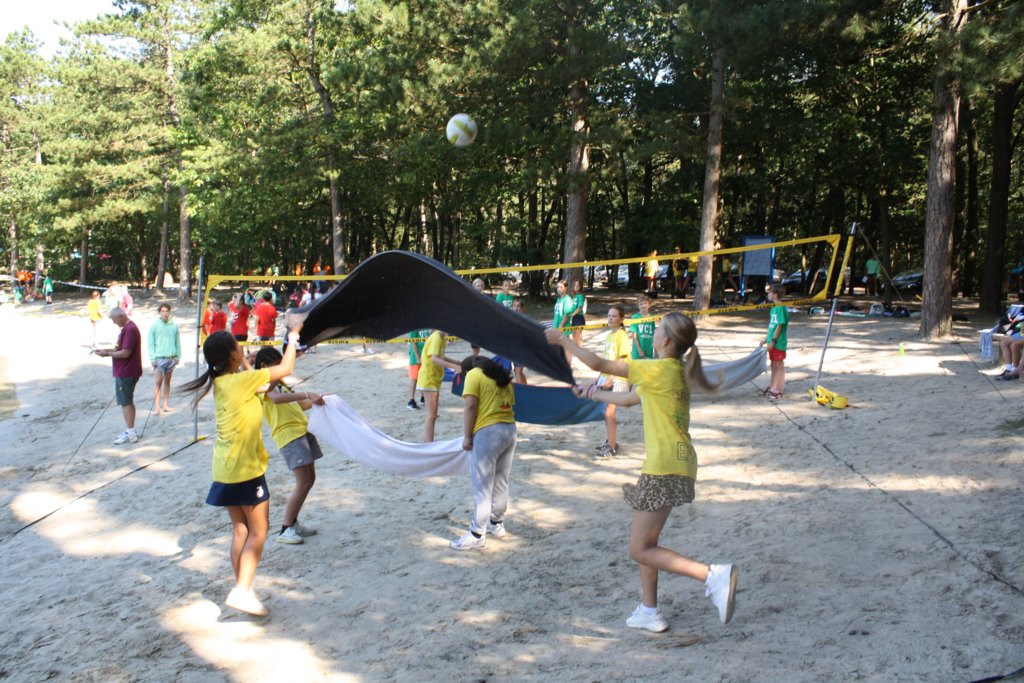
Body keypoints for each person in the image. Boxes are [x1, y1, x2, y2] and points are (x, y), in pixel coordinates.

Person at [544, 312, 738, 632]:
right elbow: (630, 399)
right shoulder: (669, 371)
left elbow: (598, 364)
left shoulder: (656, 369)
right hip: (677, 463)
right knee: (648, 543)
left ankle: (712, 576)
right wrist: (592, 393)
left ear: (666, 340)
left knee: (639, 549)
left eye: (658, 328)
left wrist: (563, 339)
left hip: (664, 466)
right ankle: (649, 611)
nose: (653, 331)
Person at [180, 326, 303, 617]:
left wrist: (246, 363)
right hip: (245, 468)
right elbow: (285, 368)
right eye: (239, 347)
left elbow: (265, 389)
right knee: (259, 531)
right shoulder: (241, 381)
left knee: (241, 531)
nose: (243, 350)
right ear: (233, 355)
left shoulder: (226, 382)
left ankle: (242, 588)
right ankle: (242, 590)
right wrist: (293, 336)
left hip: (225, 468)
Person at [252, 347, 325, 546]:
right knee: (302, 482)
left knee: (309, 480)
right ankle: (286, 528)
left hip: (302, 430)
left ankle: (293, 522)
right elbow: (276, 399)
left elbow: (298, 405)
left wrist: (318, 400)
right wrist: (306, 393)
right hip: (289, 435)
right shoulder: (262, 384)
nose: (281, 371)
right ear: (264, 366)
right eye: (277, 366)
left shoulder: (280, 383)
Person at [450, 356, 517, 551]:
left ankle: (477, 534)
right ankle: (497, 523)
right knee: (501, 480)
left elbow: (470, 405)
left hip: (488, 432)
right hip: (509, 429)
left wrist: (467, 436)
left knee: (482, 485)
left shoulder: (474, 375)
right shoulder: (503, 375)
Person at [94, 308, 143, 444]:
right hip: (125, 371)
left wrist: (107, 354)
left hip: (127, 372)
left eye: (114, 320)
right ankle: (129, 430)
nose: (114, 323)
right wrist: (107, 350)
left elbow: (125, 353)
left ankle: (131, 433)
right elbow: (120, 349)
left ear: (121, 316)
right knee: (125, 401)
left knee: (126, 401)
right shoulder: (126, 329)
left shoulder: (130, 329)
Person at [595, 305, 632, 458]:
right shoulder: (610, 335)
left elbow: (621, 359)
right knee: (607, 412)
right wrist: (600, 377)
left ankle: (612, 447)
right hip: (607, 377)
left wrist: (611, 378)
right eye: (609, 315)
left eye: (614, 316)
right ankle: (611, 441)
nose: (610, 318)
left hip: (617, 378)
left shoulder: (621, 335)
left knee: (610, 412)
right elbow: (607, 359)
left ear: (621, 319)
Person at [416, 330, 463, 442]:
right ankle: (428, 444)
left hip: (434, 378)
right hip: (429, 378)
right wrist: (454, 367)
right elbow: (434, 359)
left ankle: (429, 443)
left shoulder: (442, 338)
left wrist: (457, 362)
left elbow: (440, 356)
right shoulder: (437, 337)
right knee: (431, 415)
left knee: (433, 415)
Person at [148, 303, 181, 415]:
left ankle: (165, 405)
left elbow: (177, 342)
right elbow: (150, 344)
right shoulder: (154, 326)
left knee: (167, 381)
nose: (165, 313)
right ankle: (157, 408)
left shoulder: (174, 326)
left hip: (171, 358)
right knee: (158, 382)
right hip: (159, 358)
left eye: (167, 311)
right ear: (159, 313)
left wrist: (178, 356)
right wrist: (152, 358)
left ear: (169, 312)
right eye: (162, 311)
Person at [759, 284, 789, 400]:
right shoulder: (774, 308)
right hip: (772, 341)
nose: (768, 294)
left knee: (778, 365)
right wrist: (766, 339)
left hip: (778, 342)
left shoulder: (780, 307)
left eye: (769, 292)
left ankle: (778, 389)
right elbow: (772, 326)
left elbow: (780, 326)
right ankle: (773, 386)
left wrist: (773, 341)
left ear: (775, 294)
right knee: (773, 365)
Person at [406, 328, 431, 410]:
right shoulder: (414, 327)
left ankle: (423, 397)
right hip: (416, 358)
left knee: (424, 377)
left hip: (426, 356)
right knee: (414, 378)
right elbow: (413, 342)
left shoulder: (428, 326)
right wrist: (418, 357)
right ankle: (411, 400)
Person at [553, 280, 574, 364]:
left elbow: (566, 315)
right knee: (558, 349)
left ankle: (567, 366)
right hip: (556, 327)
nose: (559, 289)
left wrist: (561, 327)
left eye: (561, 287)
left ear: (566, 288)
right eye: (558, 287)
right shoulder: (559, 299)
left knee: (566, 349)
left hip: (563, 329)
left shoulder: (567, 299)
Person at [629, 294, 656, 361]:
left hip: (649, 349)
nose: (643, 306)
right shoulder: (635, 317)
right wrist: (639, 350)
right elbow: (634, 336)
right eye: (641, 304)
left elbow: (654, 335)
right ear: (638, 306)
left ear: (649, 305)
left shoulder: (652, 318)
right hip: (638, 351)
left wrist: (656, 350)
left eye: (645, 303)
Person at [510, 300, 529, 384]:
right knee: (517, 370)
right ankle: (526, 387)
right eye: (514, 306)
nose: (516, 308)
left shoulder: (526, 319)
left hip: (524, 349)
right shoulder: (510, 318)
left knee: (517, 371)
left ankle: (520, 390)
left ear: (522, 308)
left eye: (518, 306)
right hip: (515, 349)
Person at [569, 280, 587, 348]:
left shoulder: (580, 296)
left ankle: (581, 351)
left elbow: (579, 308)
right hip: (574, 318)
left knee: (578, 336)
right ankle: (576, 350)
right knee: (574, 335)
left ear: (580, 287)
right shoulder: (574, 296)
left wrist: (572, 315)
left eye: (578, 285)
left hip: (579, 317)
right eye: (575, 285)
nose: (576, 287)